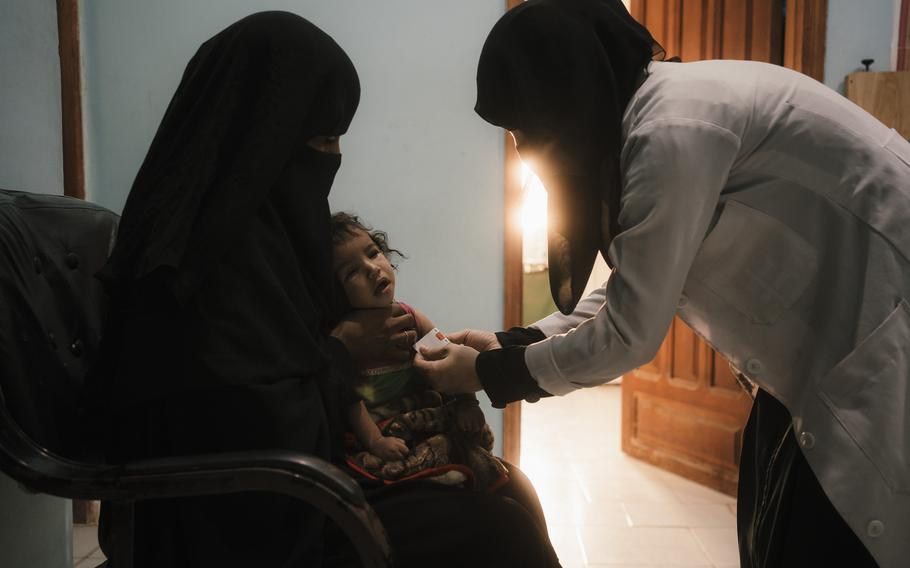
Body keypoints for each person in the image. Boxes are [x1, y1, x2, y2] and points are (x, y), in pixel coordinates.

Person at [414, 1, 910, 567]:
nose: (522, 146)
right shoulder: (641, 123)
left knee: (827, 536)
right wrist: (514, 342)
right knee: (774, 525)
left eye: (523, 125)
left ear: (565, 94)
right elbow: (636, 284)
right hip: (821, 351)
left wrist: (486, 373)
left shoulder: (673, 128)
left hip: (881, 327)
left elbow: (631, 332)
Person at [89, 11, 558, 568]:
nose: (330, 158)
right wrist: (340, 353)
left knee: (512, 490)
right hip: (247, 517)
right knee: (500, 532)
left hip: (307, 478)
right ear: (262, 136)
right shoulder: (202, 264)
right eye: (319, 137)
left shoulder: (262, 236)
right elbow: (246, 426)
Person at [331, 212, 508, 490]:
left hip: (422, 413)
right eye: (351, 272)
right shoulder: (345, 337)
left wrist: (467, 403)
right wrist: (376, 441)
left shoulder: (411, 317)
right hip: (379, 427)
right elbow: (351, 401)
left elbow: (449, 359)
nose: (371, 268)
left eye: (373, 253)